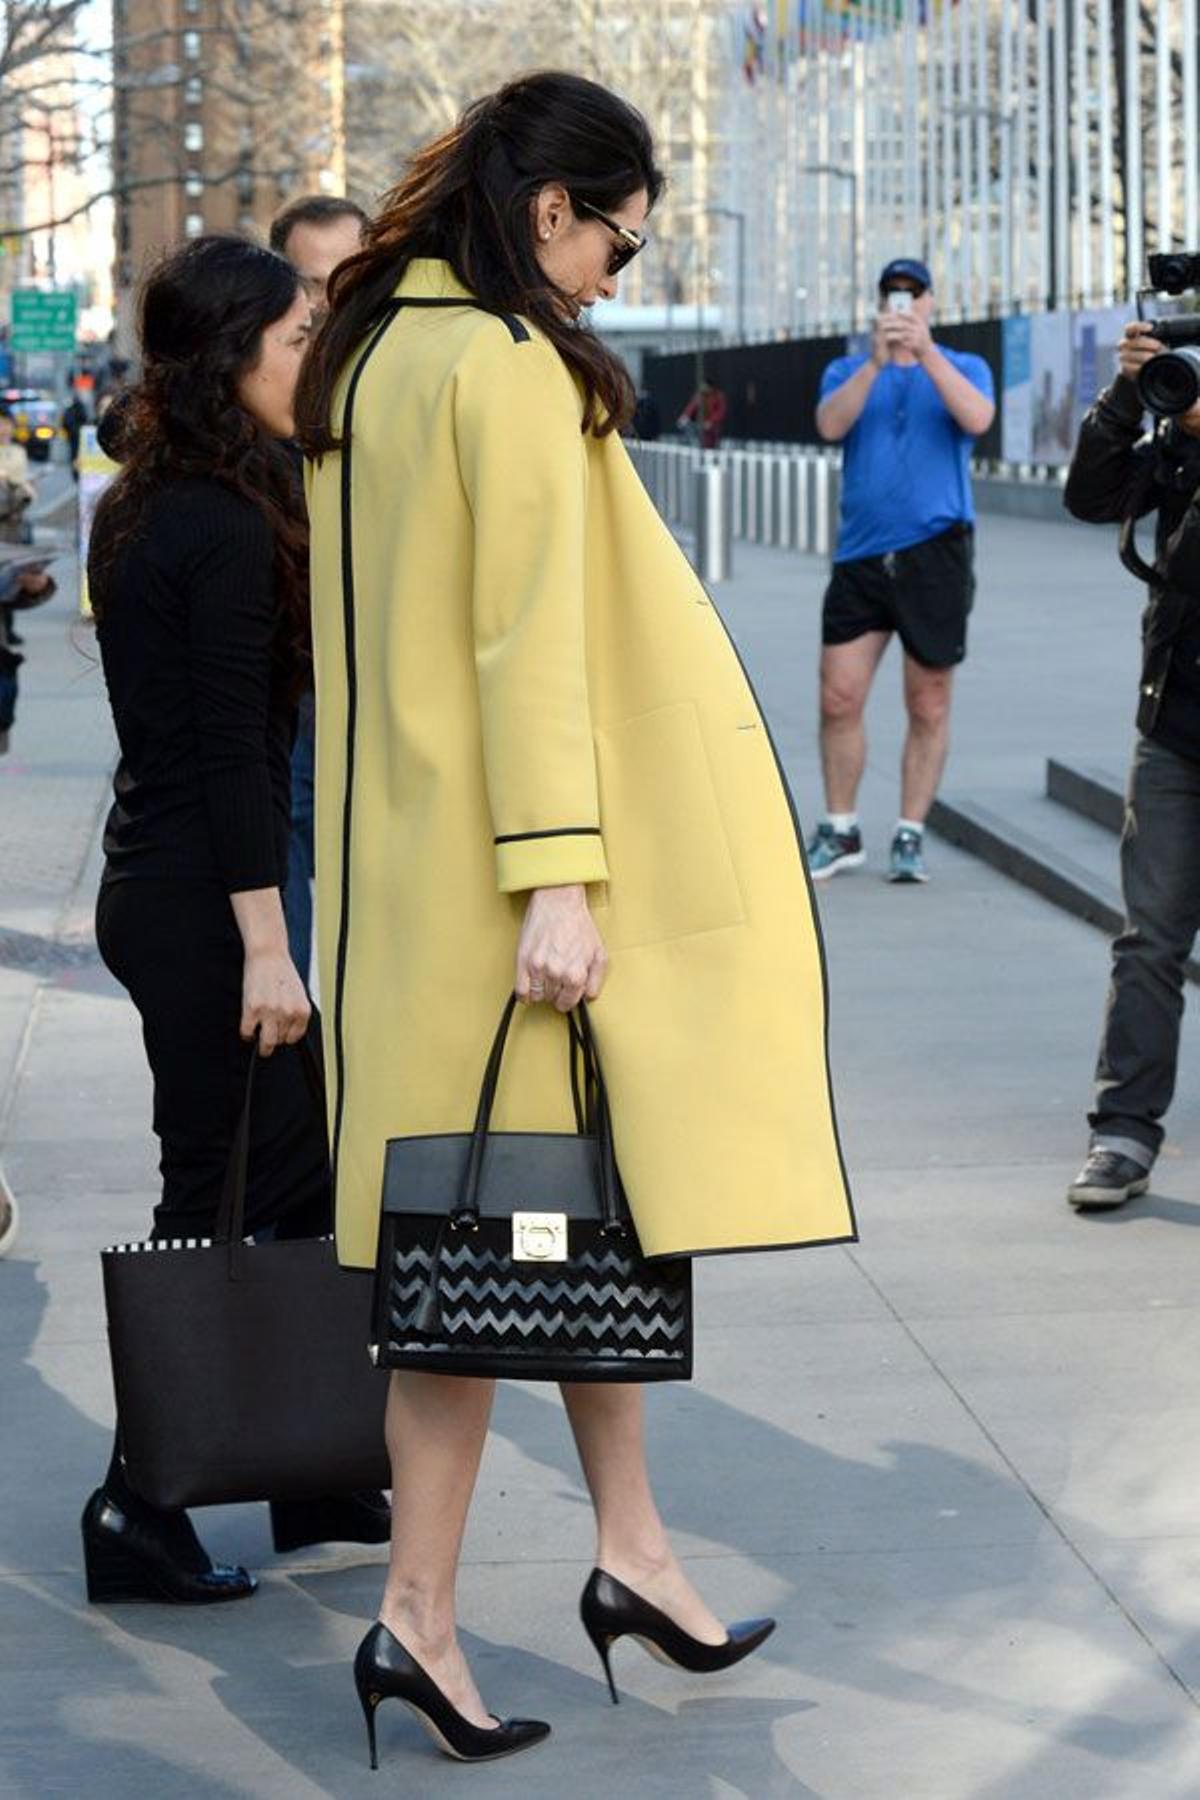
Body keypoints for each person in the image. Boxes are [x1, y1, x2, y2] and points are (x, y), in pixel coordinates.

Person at [297, 70, 853, 1766]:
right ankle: (419, 1619)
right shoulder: (506, 366)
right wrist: (558, 874)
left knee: (559, 1227)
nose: (621, 265)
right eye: (619, 231)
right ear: (553, 211)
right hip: (498, 901)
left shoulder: (374, 350)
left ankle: (634, 1555)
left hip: (397, 889)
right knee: (495, 1260)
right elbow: (524, 640)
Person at [83, 235, 388, 1607]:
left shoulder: (166, 497)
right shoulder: (210, 522)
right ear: (233, 354)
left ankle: (313, 1466)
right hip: (206, 907)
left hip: (168, 887)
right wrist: (271, 948)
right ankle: (138, 1502)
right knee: (209, 1196)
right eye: (294, 334)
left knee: (287, 1179)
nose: (311, 353)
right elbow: (229, 756)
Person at [1063, 320, 1200, 1209]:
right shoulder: (1175, 433)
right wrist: (1129, 396)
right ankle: (1122, 1134)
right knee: (1149, 940)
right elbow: (1090, 495)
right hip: (1178, 726)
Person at [808, 257, 995, 883]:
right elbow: (830, 425)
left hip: (934, 552)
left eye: (914, 296)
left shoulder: (964, 367)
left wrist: (927, 355)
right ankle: (840, 828)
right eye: (894, 296)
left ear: (931, 305)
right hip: (861, 554)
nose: (904, 306)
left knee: (930, 701)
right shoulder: (848, 368)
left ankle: (910, 831)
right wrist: (876, 363)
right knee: (839, 696)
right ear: (878, 306)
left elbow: (977, 419)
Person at [269, 194, 369, 983]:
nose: (330, 299)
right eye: (311, 281)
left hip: (379, 653)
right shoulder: (263, 376)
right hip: (293, 654)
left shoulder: (394, 366)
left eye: (348, 276)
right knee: (293, 825)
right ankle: (300, 1028)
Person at [678, 378, 726, 449]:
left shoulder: (718, 396)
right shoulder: (700, 396)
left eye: (705, 386)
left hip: (714, 424)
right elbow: (692, 407)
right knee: (689, 428)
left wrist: (711, 421)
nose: (703, 388)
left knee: (711, 439)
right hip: (702, 422)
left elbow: (720, 412)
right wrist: (685, 416)